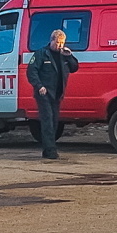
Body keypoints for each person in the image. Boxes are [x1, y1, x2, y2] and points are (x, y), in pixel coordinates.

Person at [27, 28, 78, 160]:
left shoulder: (63, 55)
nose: (59, 45)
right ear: (51, 41)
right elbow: (31, 71)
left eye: (62, 43)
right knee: (47, 121)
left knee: (55, 122)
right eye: (57, 42)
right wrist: (39, 86)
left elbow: (74, 68)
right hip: (44, 93)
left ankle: (47, 149)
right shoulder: (41, 54)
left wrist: (70, 56)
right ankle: (50, 151)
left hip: (57, 94)